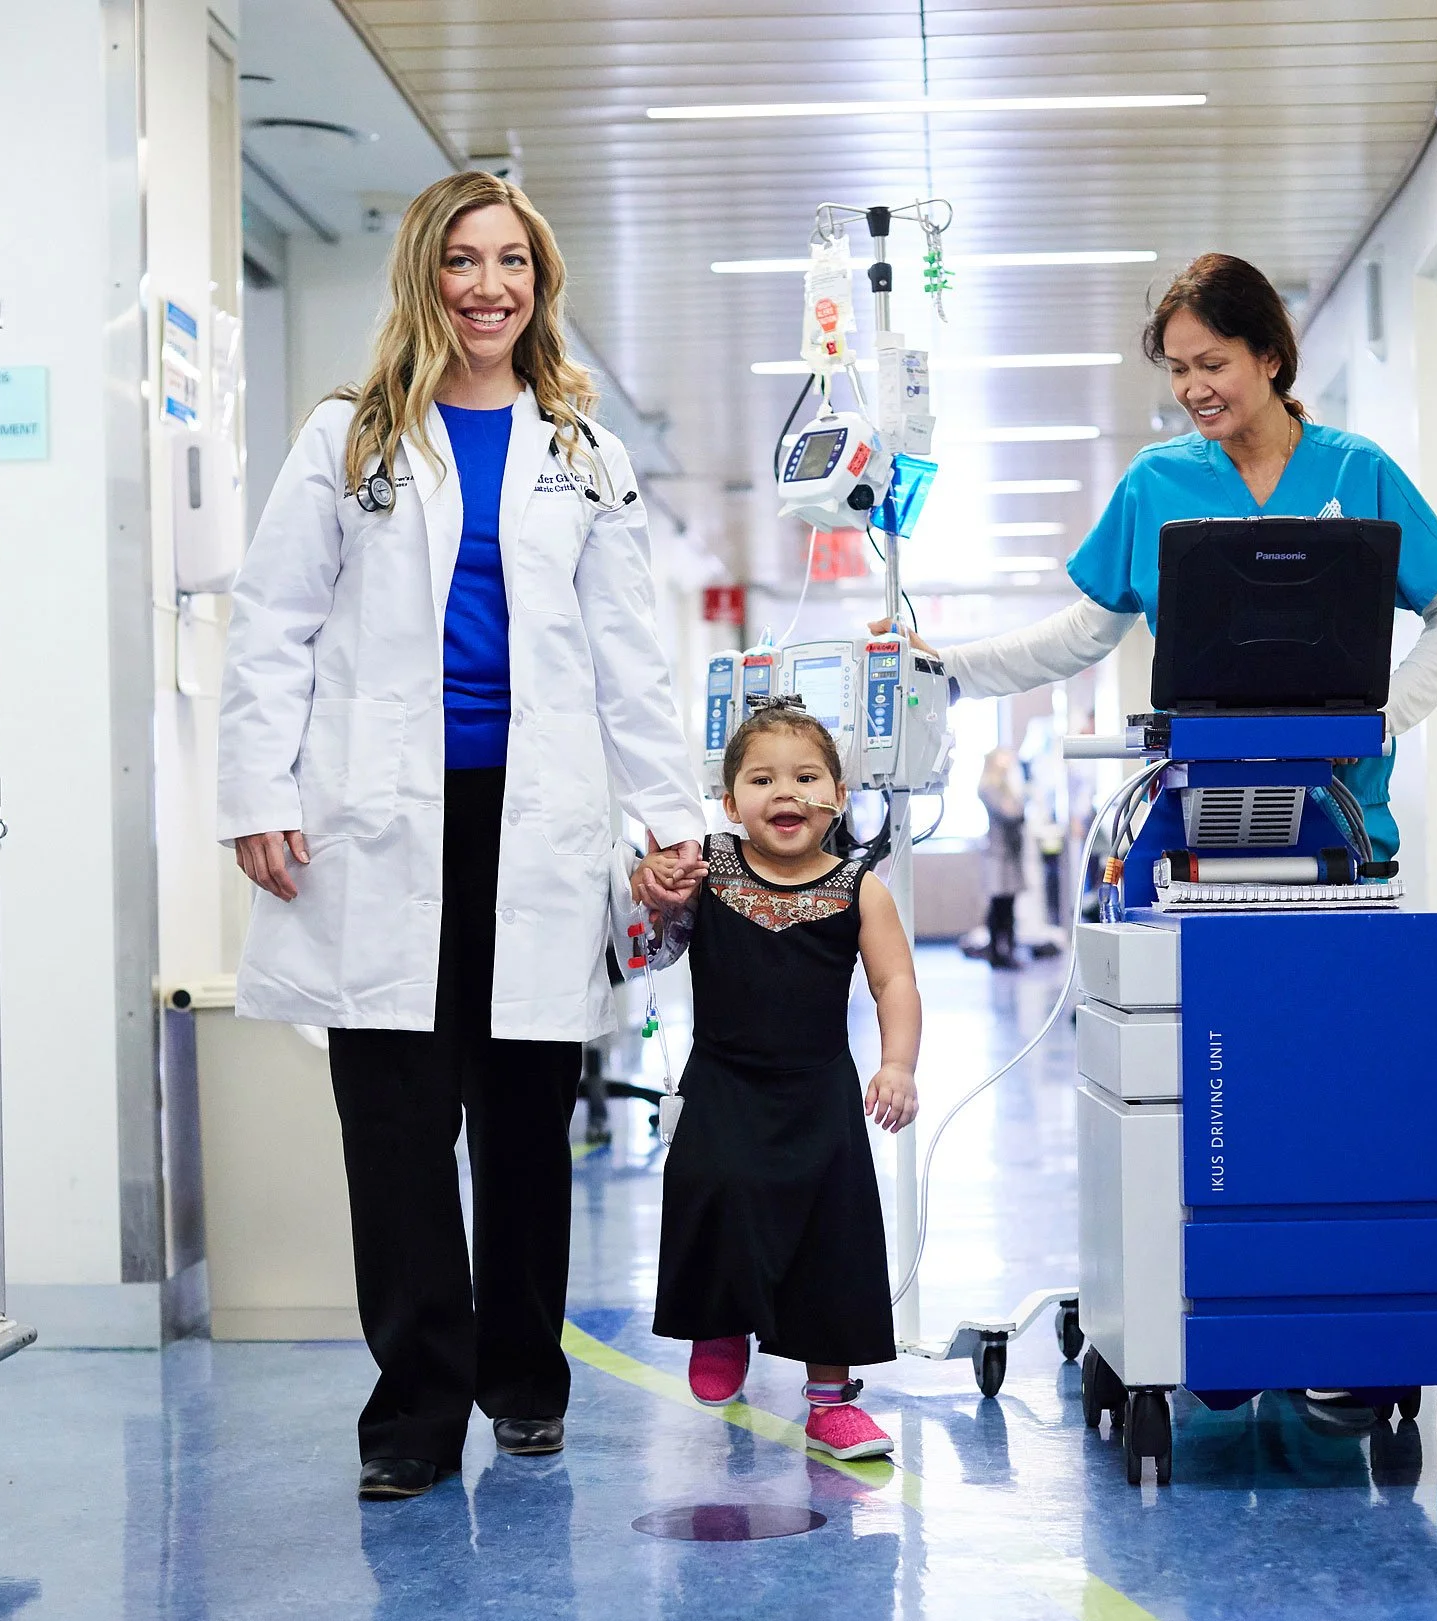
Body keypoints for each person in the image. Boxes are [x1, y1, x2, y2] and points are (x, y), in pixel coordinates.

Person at [218, 171, 707, 1503]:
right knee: (393, 1125)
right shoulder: (350, 438)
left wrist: (675, 815)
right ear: (423, 276)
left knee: (522, 1123)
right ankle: (415, 1410)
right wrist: (259, 788)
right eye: (463, 261)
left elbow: (629, 658)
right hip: (379, 821)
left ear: (539, 286)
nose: (489, 286)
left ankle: (525, 1383)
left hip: (531, 823)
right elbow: (272, 621)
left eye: (514, 264)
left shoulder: (580, 452)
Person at [879, 252, 1437, 861]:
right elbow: (1084, 634)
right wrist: (948, 670)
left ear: (1270, 358)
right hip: (1197, 817)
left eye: (1213, 365)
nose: (1194, 390)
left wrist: (1382, 720)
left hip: (1341, 816)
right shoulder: (1156, 481)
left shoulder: (1359, 471)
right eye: (1178, 370)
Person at [644, 704, 921, 1463]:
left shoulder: (860, 887)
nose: (785, 792)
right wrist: (652, 875)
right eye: (761, 779)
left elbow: (895, 980)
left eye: (805, 776)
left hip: (819, 1092)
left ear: (837, 793)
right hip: (723, 1083)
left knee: (831, 1238)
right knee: (713, 1191)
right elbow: (650, 914)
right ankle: (721, 1323)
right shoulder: (709, 869)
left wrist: (896, 1063)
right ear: (731, 804)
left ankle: (830, 1402)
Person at [977, 748, 1027, 968]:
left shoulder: (1005, 786)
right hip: (998, 855)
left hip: (1009, 854)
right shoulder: (989, 788)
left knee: (1008, 905)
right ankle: (998, 952)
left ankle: (1007, 950)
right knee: (999, 906)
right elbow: (1011, 814)